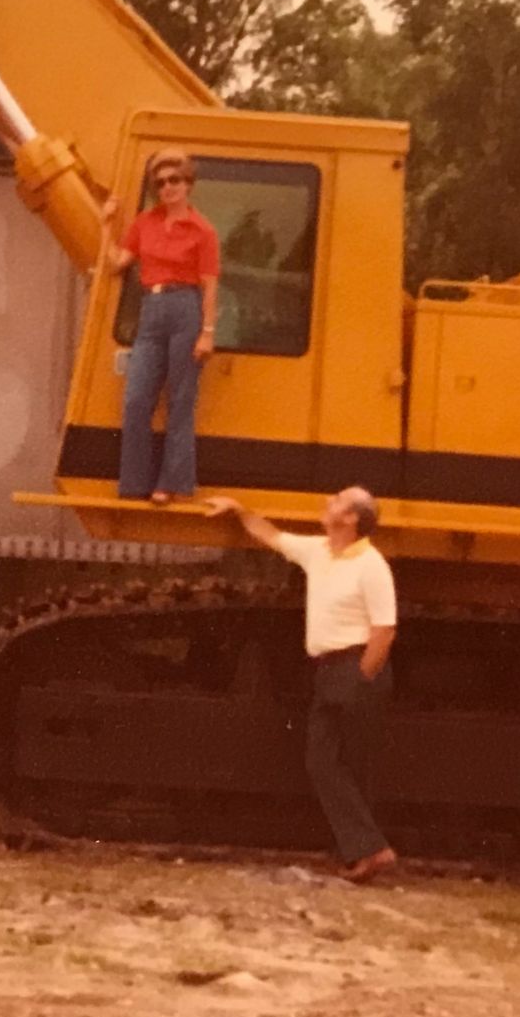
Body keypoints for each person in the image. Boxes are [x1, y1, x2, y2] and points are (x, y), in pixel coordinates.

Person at [207, 488, 399, 884]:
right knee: (324, 761)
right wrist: (240, 510)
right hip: (329, 669)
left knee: (349, 764)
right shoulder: (319, 551)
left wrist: (362, 678)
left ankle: (366, 853)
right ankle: (367, 849)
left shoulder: (371, 564)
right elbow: (271, 536)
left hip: (355, 667)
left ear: (351, 519)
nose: (328, 502)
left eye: (337, 502)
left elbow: (384, 630)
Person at [98, 147, 221, 505]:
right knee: (137, 400)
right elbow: (116, 264)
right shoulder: (144, 222)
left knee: (181, 401)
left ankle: (171, 485)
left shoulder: (203, 231)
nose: (168, 187)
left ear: (188, 184)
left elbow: (210, 284)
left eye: (175, 180)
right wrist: (105, 224)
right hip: (151, 308)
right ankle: (134, 484)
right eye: (162, 182)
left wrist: (207, 332)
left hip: (186, 308)